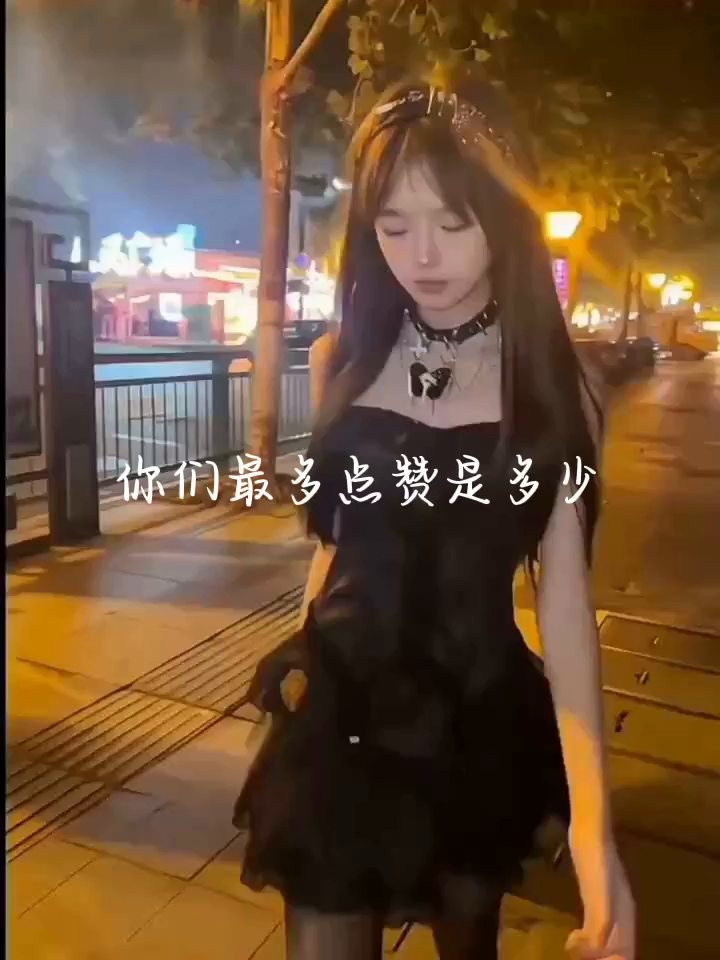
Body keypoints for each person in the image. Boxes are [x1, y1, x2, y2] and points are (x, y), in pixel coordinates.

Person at [234, 74, 635, 960]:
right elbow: (339, 543)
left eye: (453, 223)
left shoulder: (556, 385)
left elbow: (566, 613)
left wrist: (595, 836)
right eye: (393, 226)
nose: (422, 257)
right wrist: (303, 664)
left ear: (506, 217)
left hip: (473, 726)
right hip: (342, 722)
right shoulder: (343, 355)